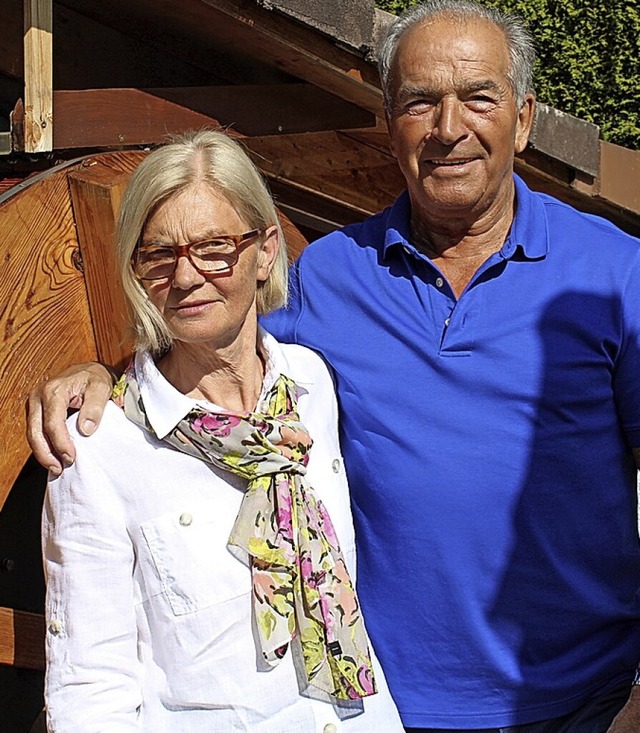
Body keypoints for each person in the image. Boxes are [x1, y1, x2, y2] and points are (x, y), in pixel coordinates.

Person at [28, 1, 640, 731]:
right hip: (386, 704)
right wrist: (102, 372)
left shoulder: (613, 274)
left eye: (479, 97)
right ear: (388, 125)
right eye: (420, 102)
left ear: (525, 118)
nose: (449, 129)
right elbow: (209, 336)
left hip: (589, 702)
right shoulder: (332, 274)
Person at [40, 129, 403, 732]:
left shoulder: (309, 387)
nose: (185, 278)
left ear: (264, 252)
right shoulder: (100, 449)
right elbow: (89, 694)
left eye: (214, 248)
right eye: (158, 255)